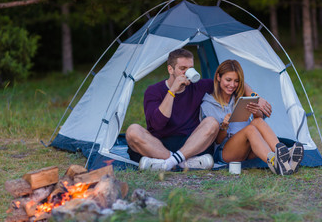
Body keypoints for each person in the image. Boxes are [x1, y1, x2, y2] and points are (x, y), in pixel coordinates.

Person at [126, 49, 272, 171]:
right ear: (170, 69)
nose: (187, 73)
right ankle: (179, 163)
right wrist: (172, 92)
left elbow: (232, 81)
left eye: (190, 68)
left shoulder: (199, 86)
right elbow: (158, 124)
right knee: (132, 131)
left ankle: (167, 164)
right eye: (183, 69)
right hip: (159, 145)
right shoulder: (153, 91)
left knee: (212, 122)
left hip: (192, 144)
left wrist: (255, 97)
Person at [200, 59, 304, 175]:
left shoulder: (240, 98)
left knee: (257, 121)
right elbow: (217, 141)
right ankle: (276, 163)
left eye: (236, 81)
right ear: (218, 78)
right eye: (228, 80)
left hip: (250, 146)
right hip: (225, 152)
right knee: (250, 129)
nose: (232, 85)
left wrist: (256, 112)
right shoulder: (207, 105)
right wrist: (224, 126)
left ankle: (284, 157)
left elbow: (259, 118)